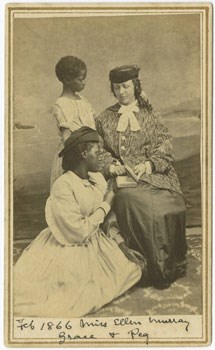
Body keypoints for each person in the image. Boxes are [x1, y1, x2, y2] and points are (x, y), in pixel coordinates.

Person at [14, 127, 143, 317]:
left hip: (94, 239)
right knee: (71, 294)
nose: (100, 158)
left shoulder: (96, 178)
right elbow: (78, 232)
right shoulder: (63, 186)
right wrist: (107, 203)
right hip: (69, 242)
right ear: (84, 154)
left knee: (132, 271)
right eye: (97, 153)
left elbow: (103, 220)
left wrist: (121, 244)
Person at [96, 65, 187, 289]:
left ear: (135, 86)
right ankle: (146, 266)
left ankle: (166, 264)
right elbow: (97, 151)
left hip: (156, 176)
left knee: (166, 206)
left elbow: (165, 146)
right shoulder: (104, 118)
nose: (122, 92)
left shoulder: (150, 115)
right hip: (123, 180)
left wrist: (149, 165)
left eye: (126, 86)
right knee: (133, 201)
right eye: (117, 88)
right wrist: (112, 167)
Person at [50, 56, 96, 188]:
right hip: (74, 158)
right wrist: (79, 160)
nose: (84, 83)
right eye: (80, 79)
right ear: (67, 80)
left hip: (90, 154)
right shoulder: (62, 104)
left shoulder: (83, 101)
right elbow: (67, 139)